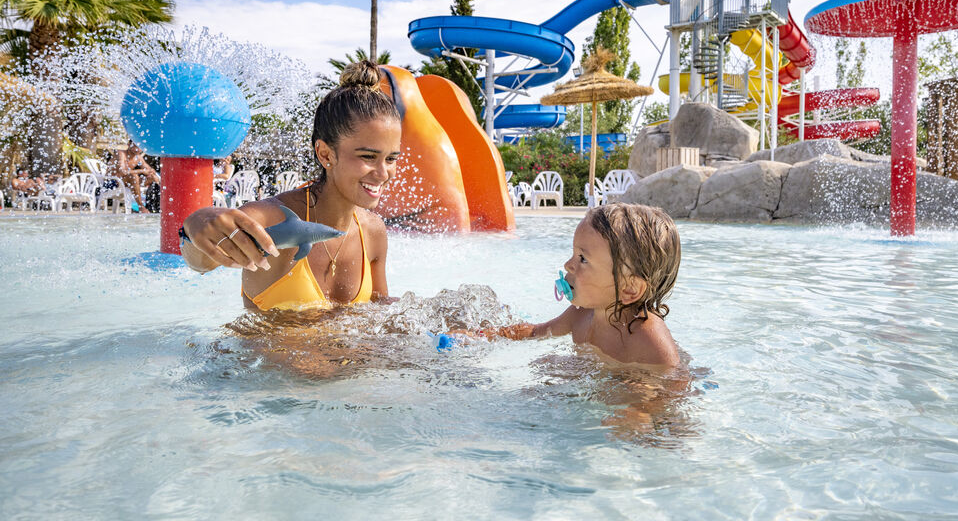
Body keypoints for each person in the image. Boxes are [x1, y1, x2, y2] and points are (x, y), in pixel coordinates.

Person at [180, 61, 401, 310]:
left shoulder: (373, 231)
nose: (383, 173)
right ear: (326, 154)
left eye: (391, 158)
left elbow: (380, 314)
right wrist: (194, 225)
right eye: (368, 157)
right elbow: (200, 263)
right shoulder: (270, 219)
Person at [457, 203, 683, 367]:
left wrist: (641, 411)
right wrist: (487, 334)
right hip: (597, 380)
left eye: (583, 259)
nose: (568, 265)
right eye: (573, 255)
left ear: (629, 289)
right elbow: (536, 331)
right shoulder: (581, 315)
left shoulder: (648, 337)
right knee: (547, 369)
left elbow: (675, 385)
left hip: (631, 390)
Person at [114, 141, 160, 213]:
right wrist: (141, 171)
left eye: (140, 147)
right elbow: (122, 172)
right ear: (129, 144)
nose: (137, 149)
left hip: (126, 182)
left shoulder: (138, 157)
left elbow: (150, 170)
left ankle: (154, 206)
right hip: (114, 181)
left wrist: (151, 172)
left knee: (153, 177)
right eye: (135, 146)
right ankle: (141, 206)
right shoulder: (121, 153)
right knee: (134, 177)